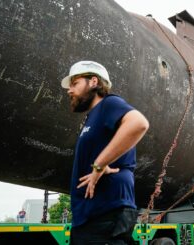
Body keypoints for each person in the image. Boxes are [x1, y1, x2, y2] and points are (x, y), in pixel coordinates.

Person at [61, 60, 149, 244]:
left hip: (106, 211)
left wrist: (98, 165)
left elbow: (138, 123)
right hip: (90, 215)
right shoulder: (92, 117)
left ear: (93, 82)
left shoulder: (109, 104)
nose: (69, 90)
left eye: (75, 84)